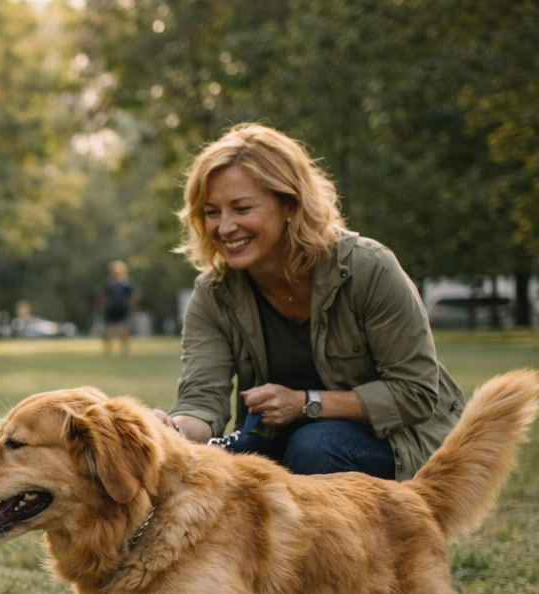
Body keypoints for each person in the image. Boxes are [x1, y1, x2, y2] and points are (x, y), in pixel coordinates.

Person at [155, 123, 463, 479]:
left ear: (290, 204)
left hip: (401, 443)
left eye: (241, 208)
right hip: (287, 439)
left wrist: (306, 404)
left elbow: (416, 393)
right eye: (212, 212)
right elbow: (201, 400)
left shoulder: (368, 268)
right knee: (221, 468)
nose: (224, 227)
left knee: (315, 446)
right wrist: (171, 431)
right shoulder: (214, 294)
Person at [100, 260, 136, 355]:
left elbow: (131, 298)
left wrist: (132, 309)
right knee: (108, 330)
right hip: (111, 308)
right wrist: (103, 308)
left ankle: (125, 349)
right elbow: (104, 297)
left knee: (125, 330)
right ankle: (107, 349)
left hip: (123, 308)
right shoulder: (109, 284)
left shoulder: (127, 284)